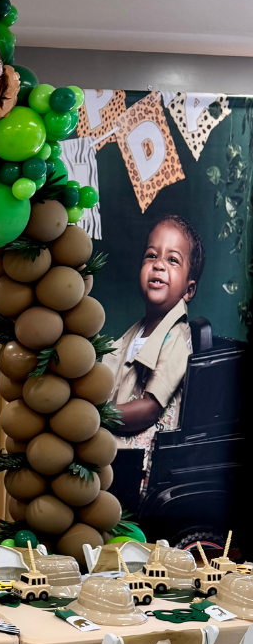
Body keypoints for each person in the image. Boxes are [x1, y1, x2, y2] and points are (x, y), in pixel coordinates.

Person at [102, 214, 204, 508]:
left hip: (142, 466)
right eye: (151, 256)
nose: (158, 264)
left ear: (189, 289)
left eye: (173, 260)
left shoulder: (177, 338)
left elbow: (149, 408)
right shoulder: (134, 333)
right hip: (115, 452)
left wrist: (98, 416)